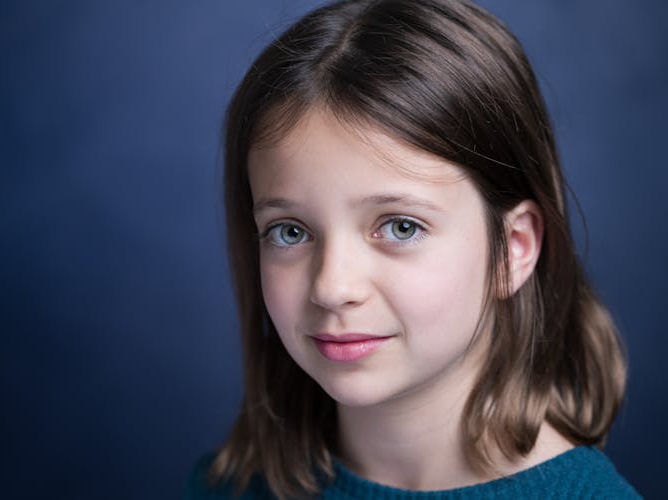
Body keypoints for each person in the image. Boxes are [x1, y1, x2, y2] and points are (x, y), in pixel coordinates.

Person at [186, 0, 640, 497]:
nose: (333, 288)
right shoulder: (228, 487)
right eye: (290, 232)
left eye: (401, 227)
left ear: (513, 249)